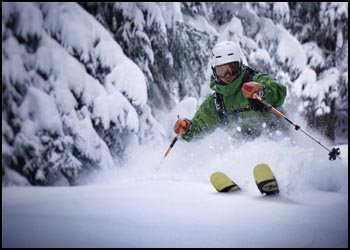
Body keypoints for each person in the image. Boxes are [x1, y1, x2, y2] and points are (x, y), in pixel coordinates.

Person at [174, 40, 287, 142]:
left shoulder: (254, 79)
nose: (228, 75)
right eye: (221, 71)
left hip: (276, 139)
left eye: (232, 69)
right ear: (214, 71)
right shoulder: (217, 102)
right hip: (246, 150)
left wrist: (262, 91)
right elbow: (198, 128)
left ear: (240, 65)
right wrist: (186, 128)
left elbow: (279, 92)